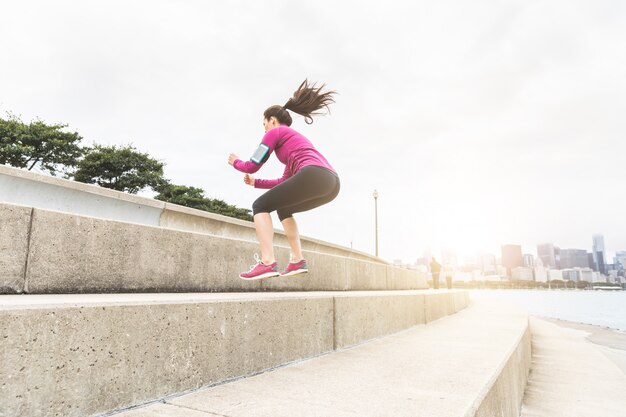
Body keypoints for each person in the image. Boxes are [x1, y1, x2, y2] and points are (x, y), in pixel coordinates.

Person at [228, 80, 340, 280]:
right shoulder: (294, 142)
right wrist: (257, 183)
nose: (264, 130)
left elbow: (253, 163)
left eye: (264, 125)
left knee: (260, 206)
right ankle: (297, 260)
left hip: (313, 174)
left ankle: (267, 262)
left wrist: (236, 162)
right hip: (330, 182)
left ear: (272, 120)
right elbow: (284, 181)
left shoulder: (276, 132)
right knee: (284, 208)